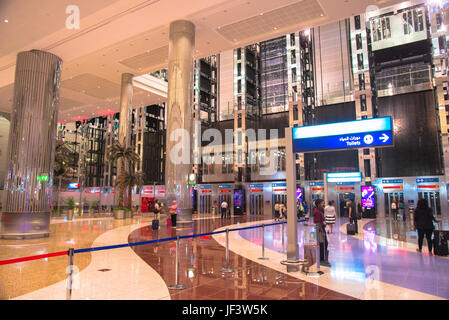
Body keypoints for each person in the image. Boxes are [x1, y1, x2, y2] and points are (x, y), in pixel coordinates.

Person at [313, 199, 330, 266]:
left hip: (322, 228)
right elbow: (318, 223)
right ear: (318, 204)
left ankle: (322, 257)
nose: (323, 204)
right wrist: (322, 232)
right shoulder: (317, 211)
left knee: (323, 243)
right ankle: (321, 259)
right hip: (320, 229)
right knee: (323, 243)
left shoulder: (319, 210)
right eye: (322, 203)